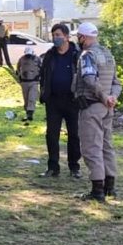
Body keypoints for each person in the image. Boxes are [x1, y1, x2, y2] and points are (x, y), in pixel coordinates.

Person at [74, 22, 122, 202]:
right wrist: (112, 98)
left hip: (92, 106)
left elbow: (89, 79)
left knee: (91, 147)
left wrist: (103, 97)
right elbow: (117, 83)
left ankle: (97, 190)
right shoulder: (108, 55)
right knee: (107, 146)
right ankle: (110, 187)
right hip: (107, 108)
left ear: (83, 37)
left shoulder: (88, 55)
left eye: (78, 36)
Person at [39, 23, 82, 178]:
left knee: (74, 135)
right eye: (53, 35)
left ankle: (74, 167)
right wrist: (43, 93)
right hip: (53, 101)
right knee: (51, 134)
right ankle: (53, 167)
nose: (55, 38)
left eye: (58, 35)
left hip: (72, 101)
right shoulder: (50, 55)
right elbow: (43, 75)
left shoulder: (77, 54)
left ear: (66, 36)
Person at [16, 47, 41, 122]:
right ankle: (27, 112)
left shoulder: (37, 59)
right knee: (26, 98)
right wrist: (19, 76)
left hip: (34, 81)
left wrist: (39, 76)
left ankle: (30, 113)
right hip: (24, 82)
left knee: (32, 97)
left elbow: (42, 68)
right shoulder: (21, 59)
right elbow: (18, 68)